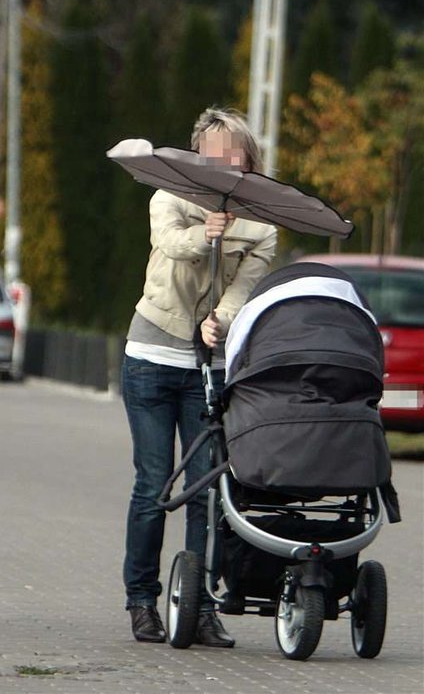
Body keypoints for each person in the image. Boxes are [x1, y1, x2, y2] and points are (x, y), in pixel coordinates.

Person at [122, 107, 277, 646]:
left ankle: (200, 604)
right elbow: (170, 244)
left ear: (246, 158)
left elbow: (246, 286)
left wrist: (222, 320)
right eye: (210, 150)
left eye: (230, 150)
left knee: (207, 491)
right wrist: (205, 234)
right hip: (150, 356)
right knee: (154, 484)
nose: (220, 159)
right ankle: (141, 601)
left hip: (205, 365)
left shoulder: (262, 222)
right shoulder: (168, 193)